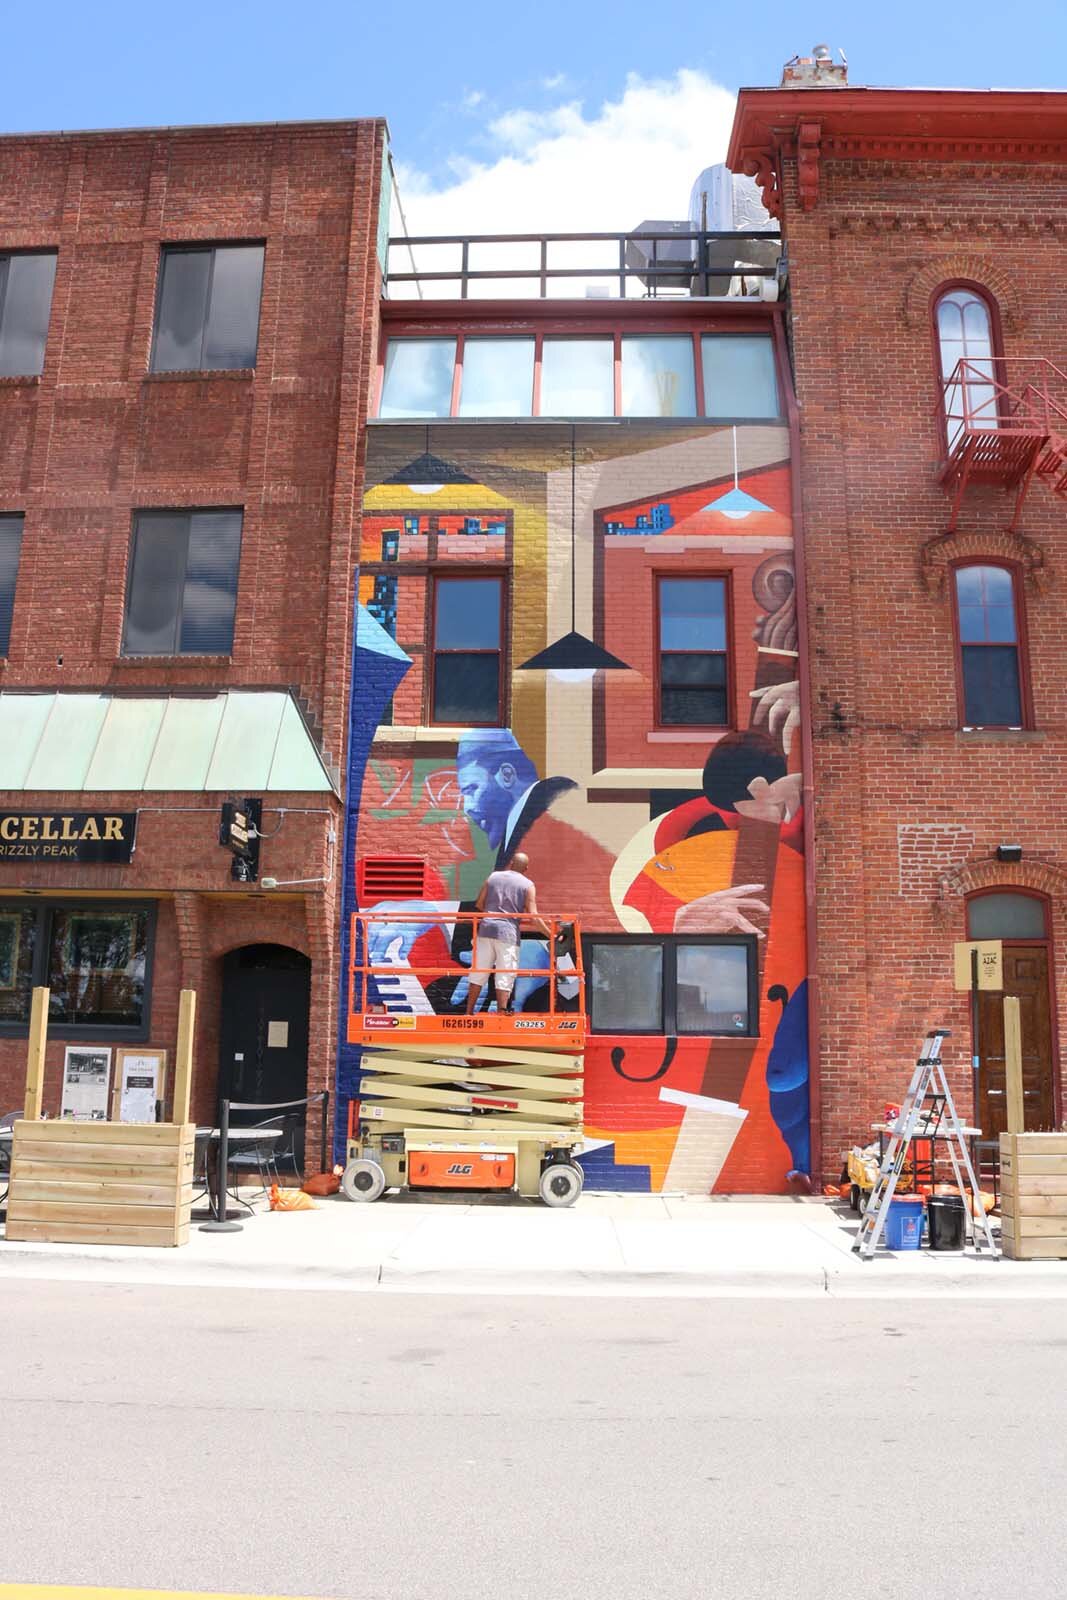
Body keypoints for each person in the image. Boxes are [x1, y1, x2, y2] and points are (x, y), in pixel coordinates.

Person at [466, 851, 550, 1015]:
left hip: (486, 928)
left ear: (511, 863)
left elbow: (479, 904)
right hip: (508, 933)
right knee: (505, 973)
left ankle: (468, 1012)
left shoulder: (493, 877)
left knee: (479, 971)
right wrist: (550, 935)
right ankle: (502, 1012)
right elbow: (533, 917)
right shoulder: (527, 885)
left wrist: (493, 913)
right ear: (526, 868)